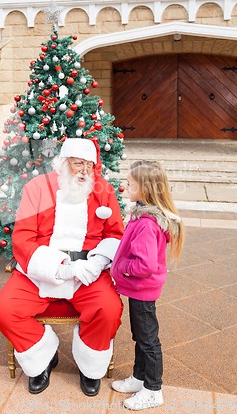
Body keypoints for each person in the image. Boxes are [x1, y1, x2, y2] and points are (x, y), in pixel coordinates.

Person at [0, 138, 124, 396]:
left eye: (90, 165)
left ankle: (90, 367)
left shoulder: (103, 190)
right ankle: (43, 359)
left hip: (88, 271)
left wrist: (97, 263)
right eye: (78, 164)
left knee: (108, 310)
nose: (85, 171)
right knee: (4, 311)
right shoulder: (38, 188)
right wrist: (62, 268)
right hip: (42, 268)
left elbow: (115, 235)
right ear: (63, 163)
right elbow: (23, 238)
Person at [110, 160, 184, 411]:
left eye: (129, 183)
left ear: (146, 188)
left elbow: (145, 266)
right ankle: (139, 377)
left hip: (142, 289)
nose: (125, 187)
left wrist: (120, 268)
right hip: (137, 290)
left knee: (148, 340)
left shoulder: (146, 223)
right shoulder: (141, 213)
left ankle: (153, 389)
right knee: (140, 337)